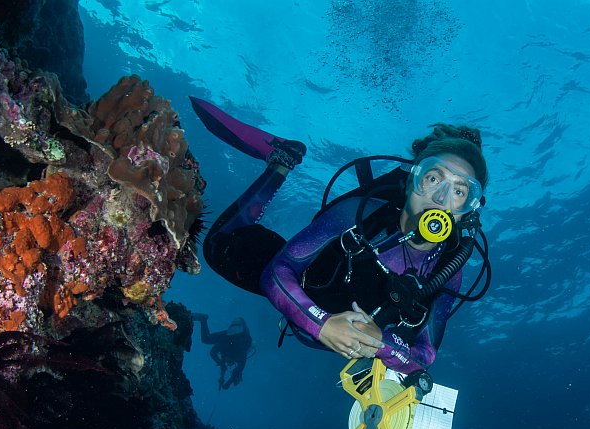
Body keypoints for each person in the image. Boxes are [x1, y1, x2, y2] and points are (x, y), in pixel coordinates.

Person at [190, 97, 489, 374]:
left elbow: (425, 355)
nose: (440, 197)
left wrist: (382, 343)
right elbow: (276, 273)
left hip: (342, 334)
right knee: (218, 247)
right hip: (308, 283)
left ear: (467, 211)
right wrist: (323, 324)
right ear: (411, 180)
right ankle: (282, 160)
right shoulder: (359, 214)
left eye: (460, 191)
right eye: (433, 178)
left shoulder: (448, 269)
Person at [193, 313, 252, 389]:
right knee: (205, 339)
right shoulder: (241, 354)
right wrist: (228, 383)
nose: (228, 362)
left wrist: (221, 363)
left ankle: (203, 319)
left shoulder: (228, 350)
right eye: (229, 362)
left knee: (206, 339)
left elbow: (213, 353)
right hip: (230, 337)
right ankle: (203, 319)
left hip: (228, 335)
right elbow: (237, 371)